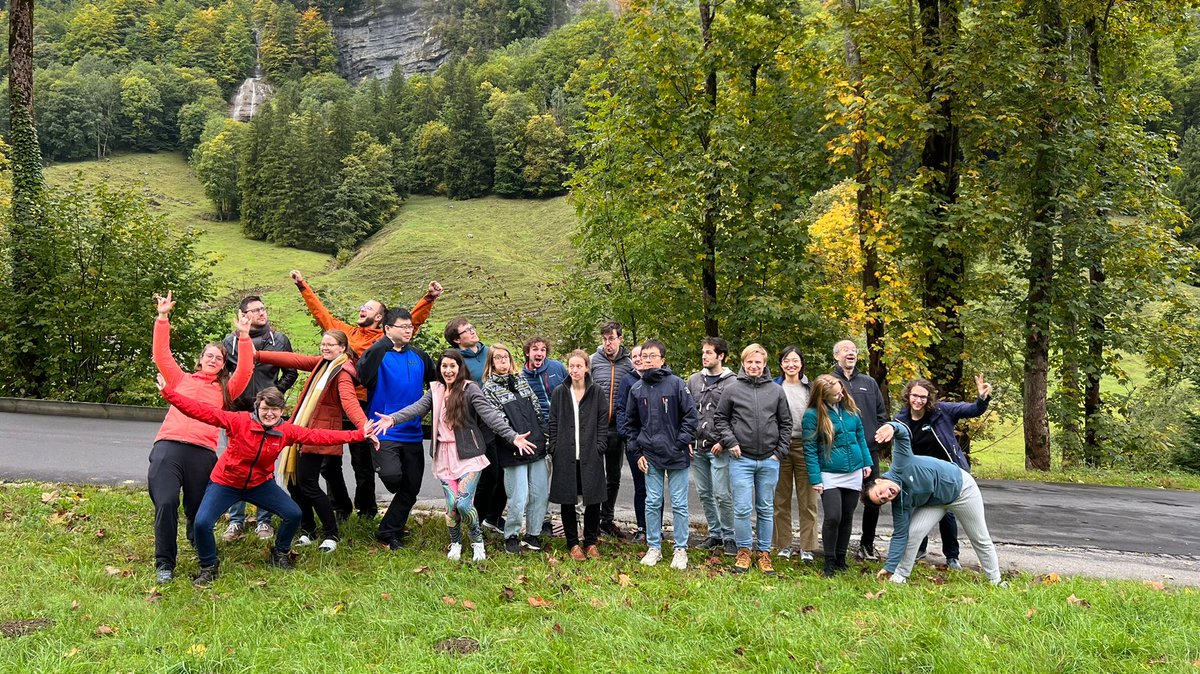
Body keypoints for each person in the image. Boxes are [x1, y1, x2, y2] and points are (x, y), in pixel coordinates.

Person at [158, 384, 373, 586]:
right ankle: (209, 566)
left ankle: (279, 554)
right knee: (202, 523)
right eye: (265, 409)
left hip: (260, 484)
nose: (270, 414)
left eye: (275, 410)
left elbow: (319, 436)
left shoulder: (285, 431)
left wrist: (359, 434)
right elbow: (202, 412)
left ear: (282, 411)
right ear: (257, 408)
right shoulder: (239, 421)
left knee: (294, 514)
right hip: (226, 482)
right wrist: (170, 394)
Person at [290, 269, 442, 521]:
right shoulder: (347, 333)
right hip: (338, 403)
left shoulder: (387, 339)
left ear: (380, 318)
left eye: (368, 308)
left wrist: (428, 298)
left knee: (362, 463)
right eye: (362, 306)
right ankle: (339, 506)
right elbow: (322, 315)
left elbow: (409, 321)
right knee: (329, 462)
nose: (362, 309)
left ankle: (366, 509)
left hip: (365, 404)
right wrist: (303, 286)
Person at [373, 350, 537, 562]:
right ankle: (456, 543)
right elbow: (417, 408)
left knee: (464, 504)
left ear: (460, 367)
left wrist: (512, 436)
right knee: (451, 508)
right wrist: (393, 419)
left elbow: (490, 415)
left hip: (469, 455)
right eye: (444, 366)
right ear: (440, 369)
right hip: (444, 456)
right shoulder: (436, 390)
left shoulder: (470, 389)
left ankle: (477, 542)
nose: (448, 370)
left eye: (452, 366)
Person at [148, 291, 253, 583]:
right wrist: (163, 317)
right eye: (209, 355)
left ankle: (198, 544)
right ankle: (165, 563)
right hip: (168, 447)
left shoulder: (225, 390)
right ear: (200, 359)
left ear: (222, 365)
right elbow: (161, 354)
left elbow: (245, 370)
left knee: (197, 509)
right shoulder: (179, 379)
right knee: (167, 503)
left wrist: (243, 337)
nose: (213, 359)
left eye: (218, 358)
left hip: (202, 453)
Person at [254, 330, 369, 553]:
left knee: (307, 483)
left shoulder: (341, 372)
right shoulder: (323, 364)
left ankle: (331, 534)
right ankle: (308, 530)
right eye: (323, 344)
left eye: (331, 345)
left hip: (320, 433)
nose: (325, 348)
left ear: (342, 348)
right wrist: (258, 355)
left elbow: (349, 402)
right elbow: (293, 359)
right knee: (293, 483)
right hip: (304, 429)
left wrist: (365, 426)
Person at [865, 421, 1004, 586]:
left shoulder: (901, 464)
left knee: (979, 536)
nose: (886, 495)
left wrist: (891, 427)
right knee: (912, 533)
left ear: (879, 480)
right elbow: (899, 536)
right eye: (882, 500)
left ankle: (995, 580)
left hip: (962, 490)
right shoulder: (900, 504)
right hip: (935, 502)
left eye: (880, 492)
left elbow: (902, 435)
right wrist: (889, 567)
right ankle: (900, 576)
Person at [220, 295, 298, 543]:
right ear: (244, 315)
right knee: (235, 465)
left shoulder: (279, 340)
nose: (261, 313)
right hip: (238, 411)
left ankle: (264, 520)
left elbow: (291, 371)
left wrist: (275, 395)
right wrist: (229, 398)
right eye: (255, 310)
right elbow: (224, 374)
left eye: (263, 308)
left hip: (267, 414)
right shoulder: (230, 341)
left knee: (265, 465)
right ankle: (235, 522)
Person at [894, 374, 992, 570]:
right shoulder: (901, 419)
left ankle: (952, 556)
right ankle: (918, 551)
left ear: (929, 398)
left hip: (950, 473)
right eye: (915, 396)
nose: (918, 400)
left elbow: (972, 409)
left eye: (923, 397)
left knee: (947, 514)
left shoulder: (941, 411)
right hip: (922, 475)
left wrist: (981, 399)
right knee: (919, 511)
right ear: (908, 395)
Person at [357, 308, 435, 549]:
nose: (409, 330)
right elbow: (362, 376)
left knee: (411, 488)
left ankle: (389, 531)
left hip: (412, 431)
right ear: (388, 329)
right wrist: (384, 342)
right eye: (402, 326)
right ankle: (389, 521)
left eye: (410, 326)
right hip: (384, 431)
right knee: (393, 479)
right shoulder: (378, 353)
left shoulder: (419, 356)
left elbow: (437, 385)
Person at [713, 344, 792, 575]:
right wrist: (731, 442)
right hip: (741, 459)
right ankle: (744, 551)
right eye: (750, 362)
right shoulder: (732, 389)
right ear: (743, 363)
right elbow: (721, 419)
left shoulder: (776, 391)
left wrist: (780, 452)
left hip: (769, 459)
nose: (754, 366)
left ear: (764, 364)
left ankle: (764, 553)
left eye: (758, 362)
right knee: (742, 508)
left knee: (766, 508)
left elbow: (786, 423)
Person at [622, 340, 698, 570]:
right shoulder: (636, 389)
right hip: (650, 456)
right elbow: (630, 425)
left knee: (679, 504)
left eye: (652, 356)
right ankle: (654, 546)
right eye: (644, 356)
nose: (647, 360)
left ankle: (681, 549)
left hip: (677, 455)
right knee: (652, 501)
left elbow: (690, 417)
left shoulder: (677, 385)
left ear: (662, 359)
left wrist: (681, 442)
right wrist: (637, 453)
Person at [481, 344, 549, 554]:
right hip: (511, 448)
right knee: (519, 496)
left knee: (540, 493)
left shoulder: (522, 382)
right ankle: (511, 536)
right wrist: (513, 440)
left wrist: (544, 436)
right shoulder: (488, 389)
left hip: (535, 445)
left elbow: (537, 410)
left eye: (506, 358)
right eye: (498, 358)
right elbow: (497, 421)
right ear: (491, 363)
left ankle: (533, 534)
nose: (503, 362)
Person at [803, 374, 873, 577]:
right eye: (835, 394)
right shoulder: (812, 415)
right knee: (833, 516)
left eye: (841, 391)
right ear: (822, 396)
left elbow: (860, 437)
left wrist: (867, 462)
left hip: (854, 470)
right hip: (829, 472)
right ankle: (829, 560)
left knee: (847, 516)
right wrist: (815, 478)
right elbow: (810, 449)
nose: (840, 395)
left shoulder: (851, 410)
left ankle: (842, 558)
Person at [444, 318, 504, 535]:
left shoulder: (489, 352)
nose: (472, 331)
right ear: (457, 340)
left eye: (472, 327)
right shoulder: (456, 361)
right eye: (466, 330)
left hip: (500, 420)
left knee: (502, 474)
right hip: (474, 426)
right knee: (487, 475)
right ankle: (473, 520)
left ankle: (492, 517)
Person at [831, 339, 890, 562]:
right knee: (841, 502)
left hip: (868, 451)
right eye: (846, 350)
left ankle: (867, 544)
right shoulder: (828, 381)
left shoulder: (869, 382)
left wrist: (877, 434)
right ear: (836, 356)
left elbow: (881, 415)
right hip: (838, 452)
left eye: (854, 351)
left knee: (874, 498)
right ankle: (837, 546)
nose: (851, 354)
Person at [548, 350, 609, 561]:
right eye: (571, 366)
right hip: (566, 453)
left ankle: (590, 542)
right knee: (568, 498)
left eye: (578, 366)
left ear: (586, 368)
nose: (574, 370)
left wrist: (600, 445)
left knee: (593, 499)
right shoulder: (559, 391)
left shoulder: (597, 391)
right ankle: (573, 543)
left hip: (591, 452)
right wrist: (554, 446)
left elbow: (603, 421)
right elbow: (553, 420)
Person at [687, 337, 737, 556]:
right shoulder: (694, 380)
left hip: (719, 448)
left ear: (721, 356)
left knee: (722, 494)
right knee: (705, 493)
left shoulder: (732, 382)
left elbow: (737, 416)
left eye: (709, 352)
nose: (704, 356)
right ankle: (715, 534)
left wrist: (724, 442)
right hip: (697, 447)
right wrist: (688, 439)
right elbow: (687, 412)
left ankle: (730, 536)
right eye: (703, 352)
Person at [590, 321, 634, 539]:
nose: (608, 343)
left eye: (612, 339)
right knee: (594, 475)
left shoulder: (629, 363)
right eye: (605, 339)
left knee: (614, 477)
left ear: (620, 339)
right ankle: (593, 520)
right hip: (596, 427)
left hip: (618, 428)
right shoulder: (593, 361)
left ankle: (608, 519)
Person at [773, 346, 817, 562]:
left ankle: (807, 547)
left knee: (808, 499)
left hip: (806, 446)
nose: (791, 364)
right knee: (780, 498)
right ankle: (783, 544)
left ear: (801, 363)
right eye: (786, 361)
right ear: (781, 364)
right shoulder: (774, 387)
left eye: (795, 361)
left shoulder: (811, 388)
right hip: (780, 446)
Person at [614, 344, 649, 542]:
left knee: (655, 487)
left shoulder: (657, 378)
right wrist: (626, 435)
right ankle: (641, 528)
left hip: (654, 442)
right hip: (634, 441)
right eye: (634, 356)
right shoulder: (628, 380)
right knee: (640, 487)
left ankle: (656, 528)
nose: (637, 359)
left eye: (641, 355)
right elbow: (621, 408)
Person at [522, 336, 568, 425]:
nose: (539, 353)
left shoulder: (557, 367)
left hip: (564, 419)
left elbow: (572, 390)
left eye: (543, 350)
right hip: (542, 425)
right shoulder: (522, 378)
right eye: (535, 349)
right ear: (527, 352)